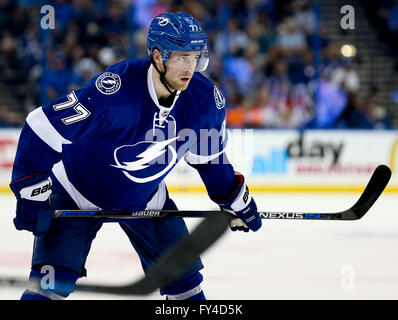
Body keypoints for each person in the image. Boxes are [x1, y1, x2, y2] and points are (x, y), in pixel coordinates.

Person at [9, 12, 262, 300]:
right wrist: (31, 190)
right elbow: (41, 127)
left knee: (186, 287)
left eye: (195, 58)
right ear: (157, 56)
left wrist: (233, 197)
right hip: (75, 191)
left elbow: (209, 159)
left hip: (146, 198)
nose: (189, 68)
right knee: (50, 284)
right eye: (181, 57)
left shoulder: (204, 101)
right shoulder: (114, 92)